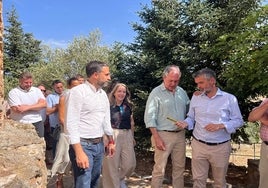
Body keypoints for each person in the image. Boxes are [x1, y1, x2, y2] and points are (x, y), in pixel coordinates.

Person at [176, 68, 244, 188]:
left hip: (220, 147)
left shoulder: (229, 99)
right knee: (198, 180)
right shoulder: (196, 97)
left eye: (201, 83)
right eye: (197, 83)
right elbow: (191, 117)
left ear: (212, 81)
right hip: (198, 145)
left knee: (219, 181)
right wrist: (186, 123)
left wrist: (221, 125)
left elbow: (239, 121)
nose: (198, 86)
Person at [65, 60, 115, 188]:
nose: (109, 77)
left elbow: (105, 119)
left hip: (98, 145)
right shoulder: (77, 92)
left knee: (94, 182)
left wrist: (110, 140)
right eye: (106, 74)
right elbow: (71, 123)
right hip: (83, 145)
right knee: (83, 183)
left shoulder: (102, 94)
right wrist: (79, 152)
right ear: (95, 75)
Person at [144, 65, 190, 188]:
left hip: (180, 135)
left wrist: (186, 121)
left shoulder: (182, 92)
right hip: (162, 135)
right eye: (170, 80)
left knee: (180, 168)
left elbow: (190, 112)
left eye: (176, 81)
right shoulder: (156, 93)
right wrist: (156, 137)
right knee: (159, 168)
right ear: (164, 77)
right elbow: (149, 117)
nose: (173, 83)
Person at [102, 83, 136, 188]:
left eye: (124, 92)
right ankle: (113, 185)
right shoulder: (108, 106)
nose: (121, 94)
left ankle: (119, 178)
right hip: (112, 134)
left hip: (127, 134)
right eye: (119, 91)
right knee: (111, 165)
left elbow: (131, 122)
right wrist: (105, 139)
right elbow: (103, 123)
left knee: (130, 164)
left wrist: (132, 136)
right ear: (114, 93)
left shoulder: (129, 106)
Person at [50, 77, 80, 188]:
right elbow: (61, 118)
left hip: (79, 132)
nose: (77, 88)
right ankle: (57, 179)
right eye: (74, 86)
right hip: (66, 132)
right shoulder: (64, 98)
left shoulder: (83, 98)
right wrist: (71, 129)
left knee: (75, 160)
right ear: (69, 87)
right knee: (64, 158)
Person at [8, 72, 47, 137]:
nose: (29, 84)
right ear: (20, 81)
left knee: (40, 144)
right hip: (20, 123)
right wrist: (37, 105)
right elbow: (18, 110)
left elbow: (44, 105)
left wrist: (26, 107)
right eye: (26, 83)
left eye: (30, 82)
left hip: (37, 122)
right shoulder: (13, 92)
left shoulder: (37, 90)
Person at [248, 98, 268, 188]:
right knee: (264, 180)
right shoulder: (266, 101)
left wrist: (264, 120)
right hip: (266, 147)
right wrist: (266, 105)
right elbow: (252, 117)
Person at [46, 79, 64, 157]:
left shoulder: (66, 95)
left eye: (61, 87)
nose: (60, 89)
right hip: (56, 126)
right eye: (57, 87)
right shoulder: (51, 97)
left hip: (65, 125)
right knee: (56, 146)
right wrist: (59, 106)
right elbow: (48, 111)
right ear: (54, 88)